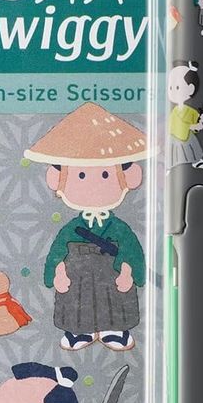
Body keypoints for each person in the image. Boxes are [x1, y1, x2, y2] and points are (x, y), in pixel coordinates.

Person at [24, 103, 148, 352]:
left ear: (129, 177)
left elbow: (132, 251)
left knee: (116, 303)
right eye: (80, 175)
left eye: (105, 175)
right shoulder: (71, 230)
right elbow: (57, 253)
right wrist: (57, 273)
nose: (93, 184)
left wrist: (128, 272)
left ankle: (116, 330)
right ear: (57, 180)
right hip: (78, 282)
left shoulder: (119, 228)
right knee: (77, 305)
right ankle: (78, 330)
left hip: (112, 280)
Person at [167, 60, 203, 169]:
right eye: (170, 88)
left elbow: (195, 118)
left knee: (193, 147)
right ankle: (170, 167)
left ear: (191, 88)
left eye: (177, 87)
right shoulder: (175, 110)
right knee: (176, 152)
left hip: (185, 136)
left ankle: (197, 161)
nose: (172, 92)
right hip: (177, 136)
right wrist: (192, 126)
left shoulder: (188, 110)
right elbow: (177, 123)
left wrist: (200, 120)